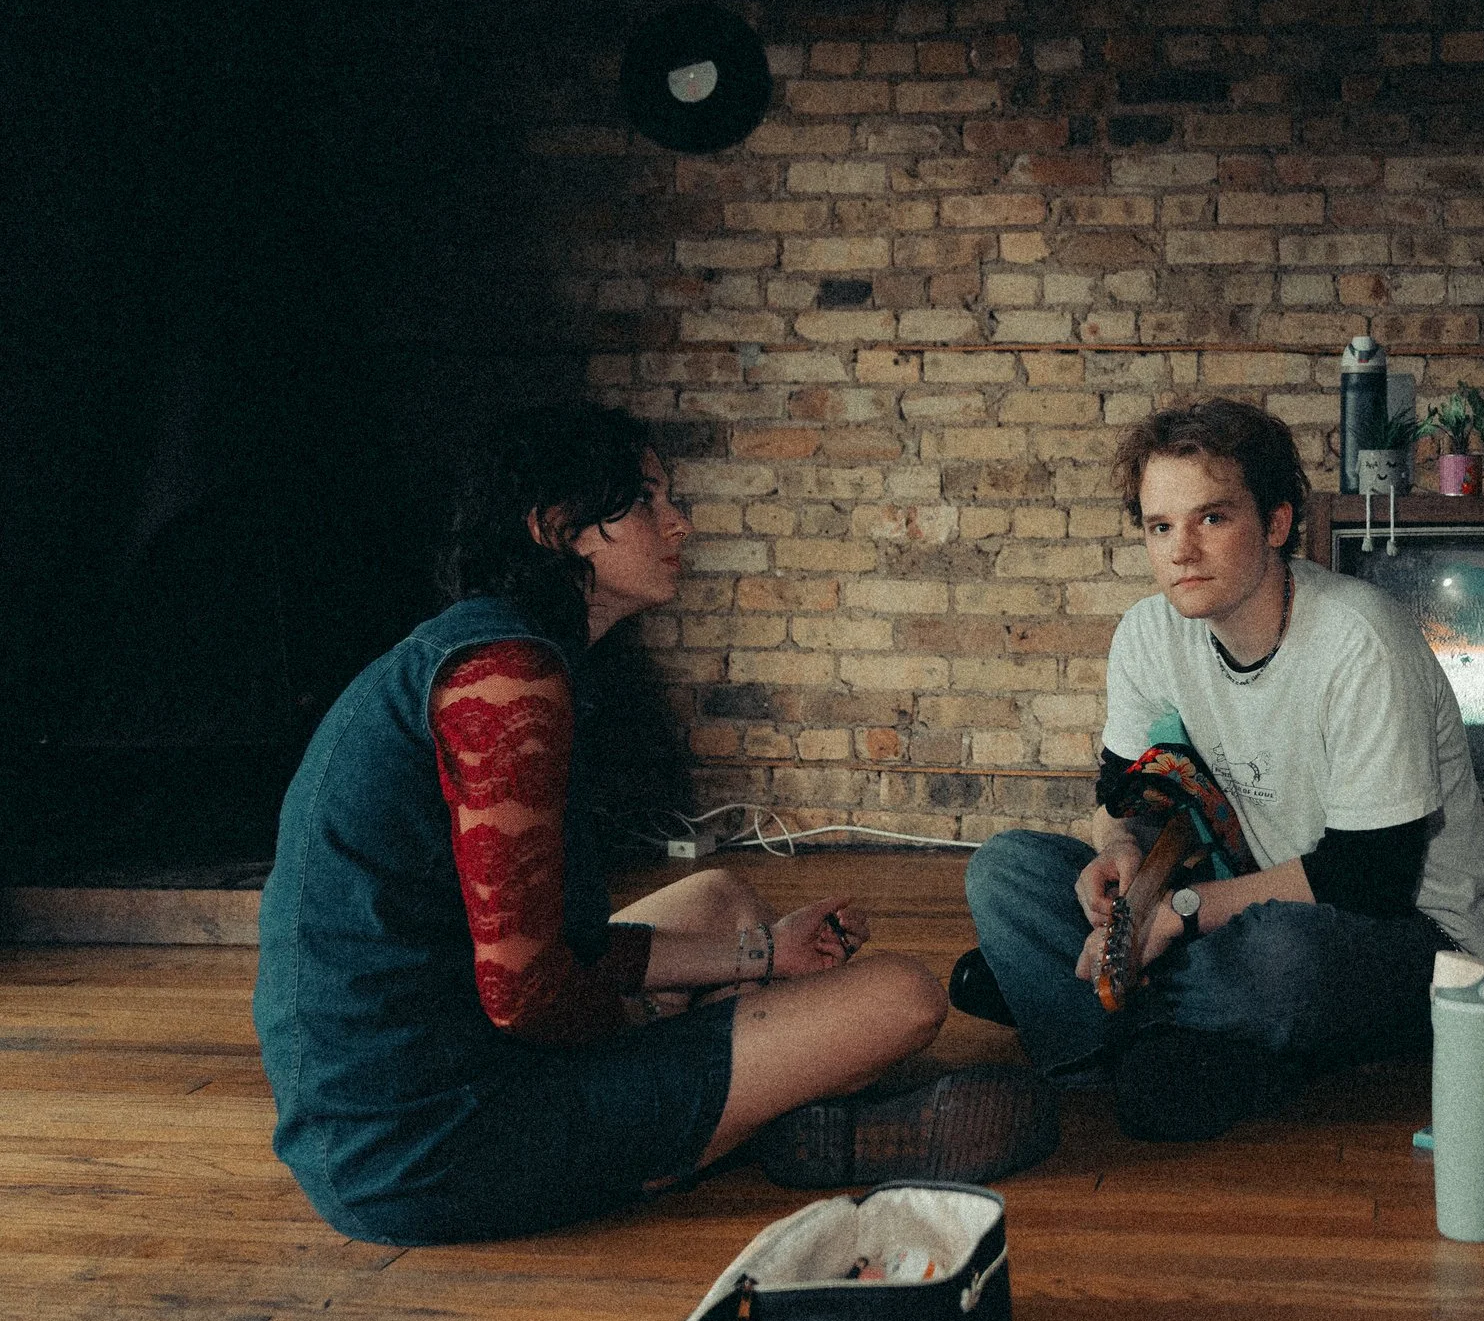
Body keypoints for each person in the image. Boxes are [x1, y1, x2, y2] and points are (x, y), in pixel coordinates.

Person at [253, 406, 1053, 1246]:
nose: (678, 521)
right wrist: (667, 1019)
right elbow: (527, 998)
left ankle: (741, 1110)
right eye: (642, 500)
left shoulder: (496, 648)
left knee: (719, 898)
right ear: (555, 529)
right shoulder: (507, 682)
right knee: (902, 996)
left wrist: (766, 955)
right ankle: (752, 1127)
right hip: (427, 1145)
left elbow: (546, 953)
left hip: (400, 1094)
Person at [957, 397, 1484, 1141]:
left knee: (1281, 962)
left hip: (1410, 934)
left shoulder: (1360, 642)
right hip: (1248, 893)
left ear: (1278, 523)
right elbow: (1126, 796)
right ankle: (1178, 1036)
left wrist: (1174, 917)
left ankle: (1103, 1018)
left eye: (1211, 519)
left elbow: (1371, 878)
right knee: (1005, 871)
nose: (1181, 550)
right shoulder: (1148, 633)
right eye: (1161, 526)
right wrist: (1121, 860)